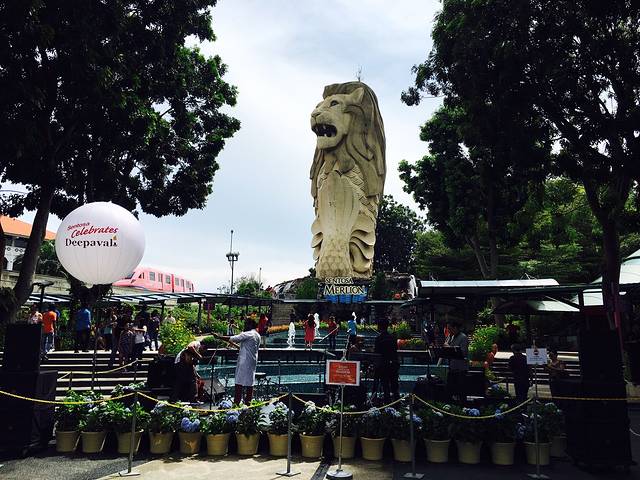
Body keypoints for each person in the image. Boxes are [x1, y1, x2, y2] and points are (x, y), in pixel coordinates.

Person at [215, 317, 261, 405]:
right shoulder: (257, 335)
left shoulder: (248, 334)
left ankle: (236, 403)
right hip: (252, 360)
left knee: (239, 382)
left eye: (246, 324)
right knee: (250, 382)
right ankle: (248, 403)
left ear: (250, 325)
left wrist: (219, 337)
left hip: (244, 361)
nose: (244, 326)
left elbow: (233, 338)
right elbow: (246, 347)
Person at [374, 319, 400, 403]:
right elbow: (395, 349)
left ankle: (387, 403)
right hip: (393, 363)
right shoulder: (393, 338)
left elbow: (377, 353)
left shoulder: (378, 338)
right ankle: (397, 403)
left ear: (379, 327)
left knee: (385, 386)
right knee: (394, 386)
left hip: (383, 365)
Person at [444, 321, 469, 401]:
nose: (448, 331)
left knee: (461, 390)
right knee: (450, 390)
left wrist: (449, 348)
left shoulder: (463, 337)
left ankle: (462, 404)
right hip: (452, 367)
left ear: (455, 328)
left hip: (460, 368)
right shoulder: (450, 336)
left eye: (449, 329)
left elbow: (463, 352)